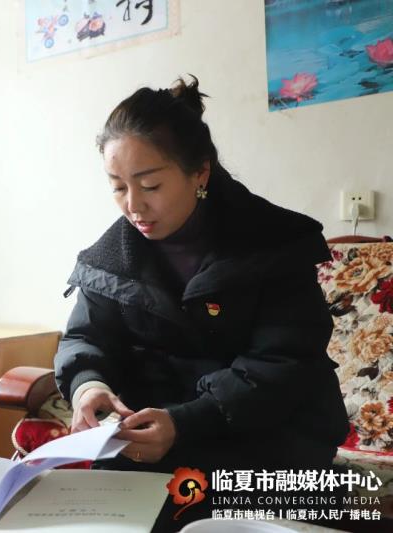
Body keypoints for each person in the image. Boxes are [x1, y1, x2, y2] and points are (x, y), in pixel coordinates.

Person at [54, 77, 348, 529]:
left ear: (200, 174)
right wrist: (88, 386)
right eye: (118, 187)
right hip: (152, 448)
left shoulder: (274, 244)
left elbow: (283, 362)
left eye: (150, 185)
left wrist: (184, 422)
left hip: (270, 447)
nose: (133, 206)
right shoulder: (111, 259)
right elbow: (85, 338)